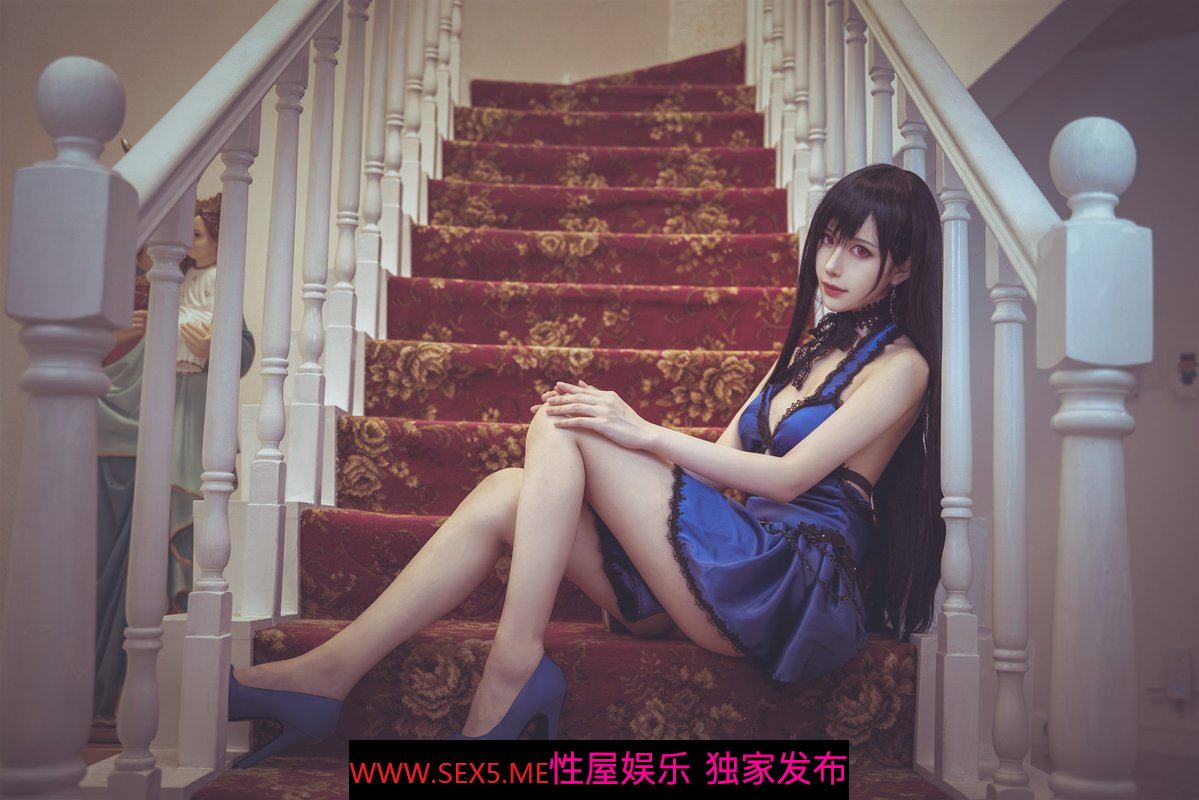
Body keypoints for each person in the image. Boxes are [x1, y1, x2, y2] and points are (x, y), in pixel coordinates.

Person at [225, 162, 945, 761]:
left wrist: (641, 434)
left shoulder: (901, 369)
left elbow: (789, 479)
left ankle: (512, 667)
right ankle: (328, 674)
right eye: (829, 239)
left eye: (859, 250)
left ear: (903, 266)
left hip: (783, 585)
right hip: (727, 563)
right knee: (507, 490)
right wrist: (617, 475)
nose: (831, 263)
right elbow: (722, 461)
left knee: (566, 423)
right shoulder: (811, 348)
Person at [94, 192, 257, 730]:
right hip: (164, 406)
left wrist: (215, 347)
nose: (188, 242)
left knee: (178, 525)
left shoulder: (220, 283)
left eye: (198, 234)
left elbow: (240, 344)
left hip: (191, 410)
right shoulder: (174, 280)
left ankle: (166, 680)